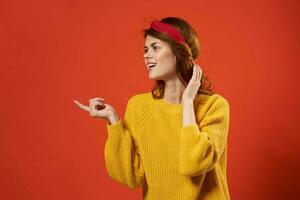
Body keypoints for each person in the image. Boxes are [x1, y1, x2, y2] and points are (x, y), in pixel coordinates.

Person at [73, 16, 231, 200]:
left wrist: (187, 103)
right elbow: (131, 177)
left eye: (155, 48)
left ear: (180, 51)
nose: (146, 55)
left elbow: (193, 165)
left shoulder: (214, 106)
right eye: (146, 49)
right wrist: (113, 121)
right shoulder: (139, 107)